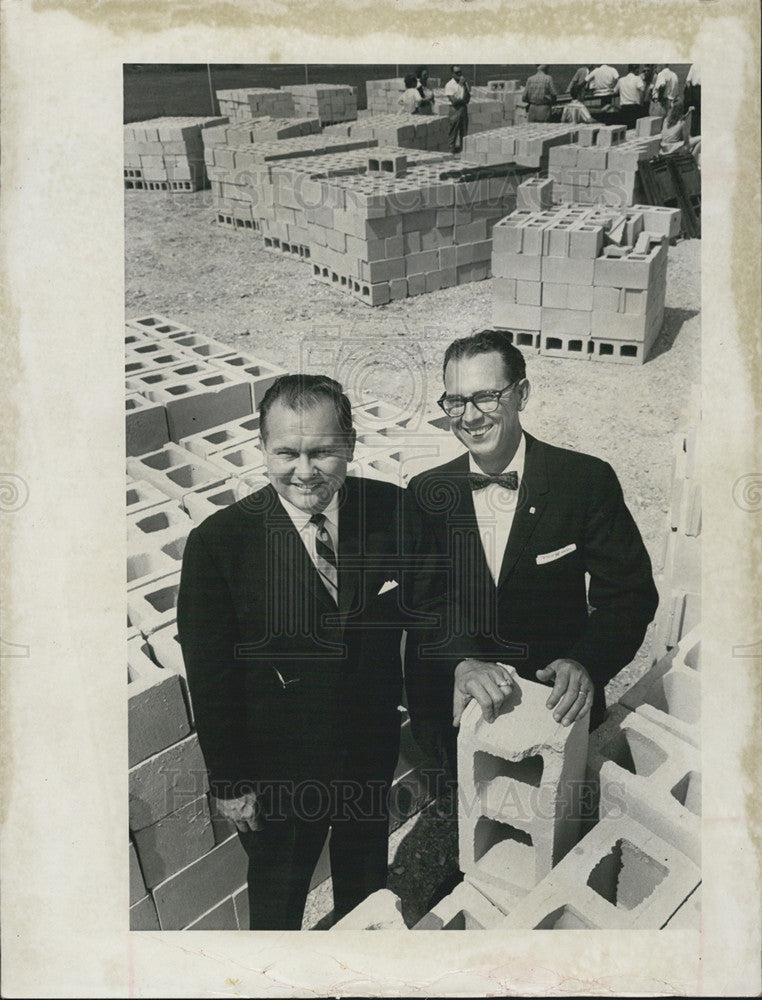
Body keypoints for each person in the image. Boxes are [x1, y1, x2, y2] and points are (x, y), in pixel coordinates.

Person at [177, 374, 435, 930]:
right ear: (261, 449)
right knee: (278, 899)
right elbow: (210, 675)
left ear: (350, 445)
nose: (304, 471)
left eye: (322, 452)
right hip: (279, 778)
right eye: (286, 453)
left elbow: (432, 606)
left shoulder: (391, 511)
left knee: (366, 886)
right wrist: (230, 782)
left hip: (368, 754)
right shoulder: (219, 545)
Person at [404, 330, 659, 785]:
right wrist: (463, 661)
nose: (471, 416)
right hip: (464, 714)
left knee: (558, 830)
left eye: (486, 397)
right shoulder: (426, 493)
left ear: (521, 393)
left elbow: (628, 595)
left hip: (554, 711)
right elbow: (424, 603)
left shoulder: (585, 481)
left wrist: (586, 663)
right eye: (456, 402)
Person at [444, 65, 470, 153]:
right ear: (452, 74)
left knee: (464, 132)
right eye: (457, 73)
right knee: (453, 133)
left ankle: (463, 151)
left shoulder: (464, 83)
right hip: (454, 110)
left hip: (463, 109)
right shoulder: (449, 85)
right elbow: (454, 101)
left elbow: (467, 99)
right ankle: (451, 152)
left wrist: (464, 86)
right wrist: (460, 87)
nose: (459, 74)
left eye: (460, 72)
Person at [614, 63, 646, 129]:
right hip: (634, 107)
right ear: (636, 70)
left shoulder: (621, 80)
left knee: (625, 128)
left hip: (624, 107)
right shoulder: (638, 78)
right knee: (634, 128)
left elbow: (614, 91)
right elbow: (642, 89)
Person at [684, 63, 701, 136]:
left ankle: (695, 134)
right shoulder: (695, 65)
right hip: (697, 90)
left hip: (696, 91)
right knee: (696, 114)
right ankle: (695, 134)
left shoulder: (694, 65)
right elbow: (688, 81)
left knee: (696, 114)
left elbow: (688, 81)